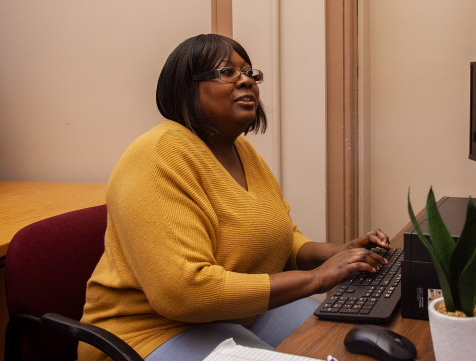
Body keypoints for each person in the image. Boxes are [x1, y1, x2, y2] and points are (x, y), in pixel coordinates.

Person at [78, 34, 391, 361]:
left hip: (234, 313)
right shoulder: (156, 155)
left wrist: (338, 254)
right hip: (150, 330)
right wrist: (316, 278)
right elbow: (185, 294)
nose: (246, 80)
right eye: (227, 72)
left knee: (341, 343)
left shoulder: (242, 151)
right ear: (186, 88)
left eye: (250, 73)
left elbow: (283, 239)